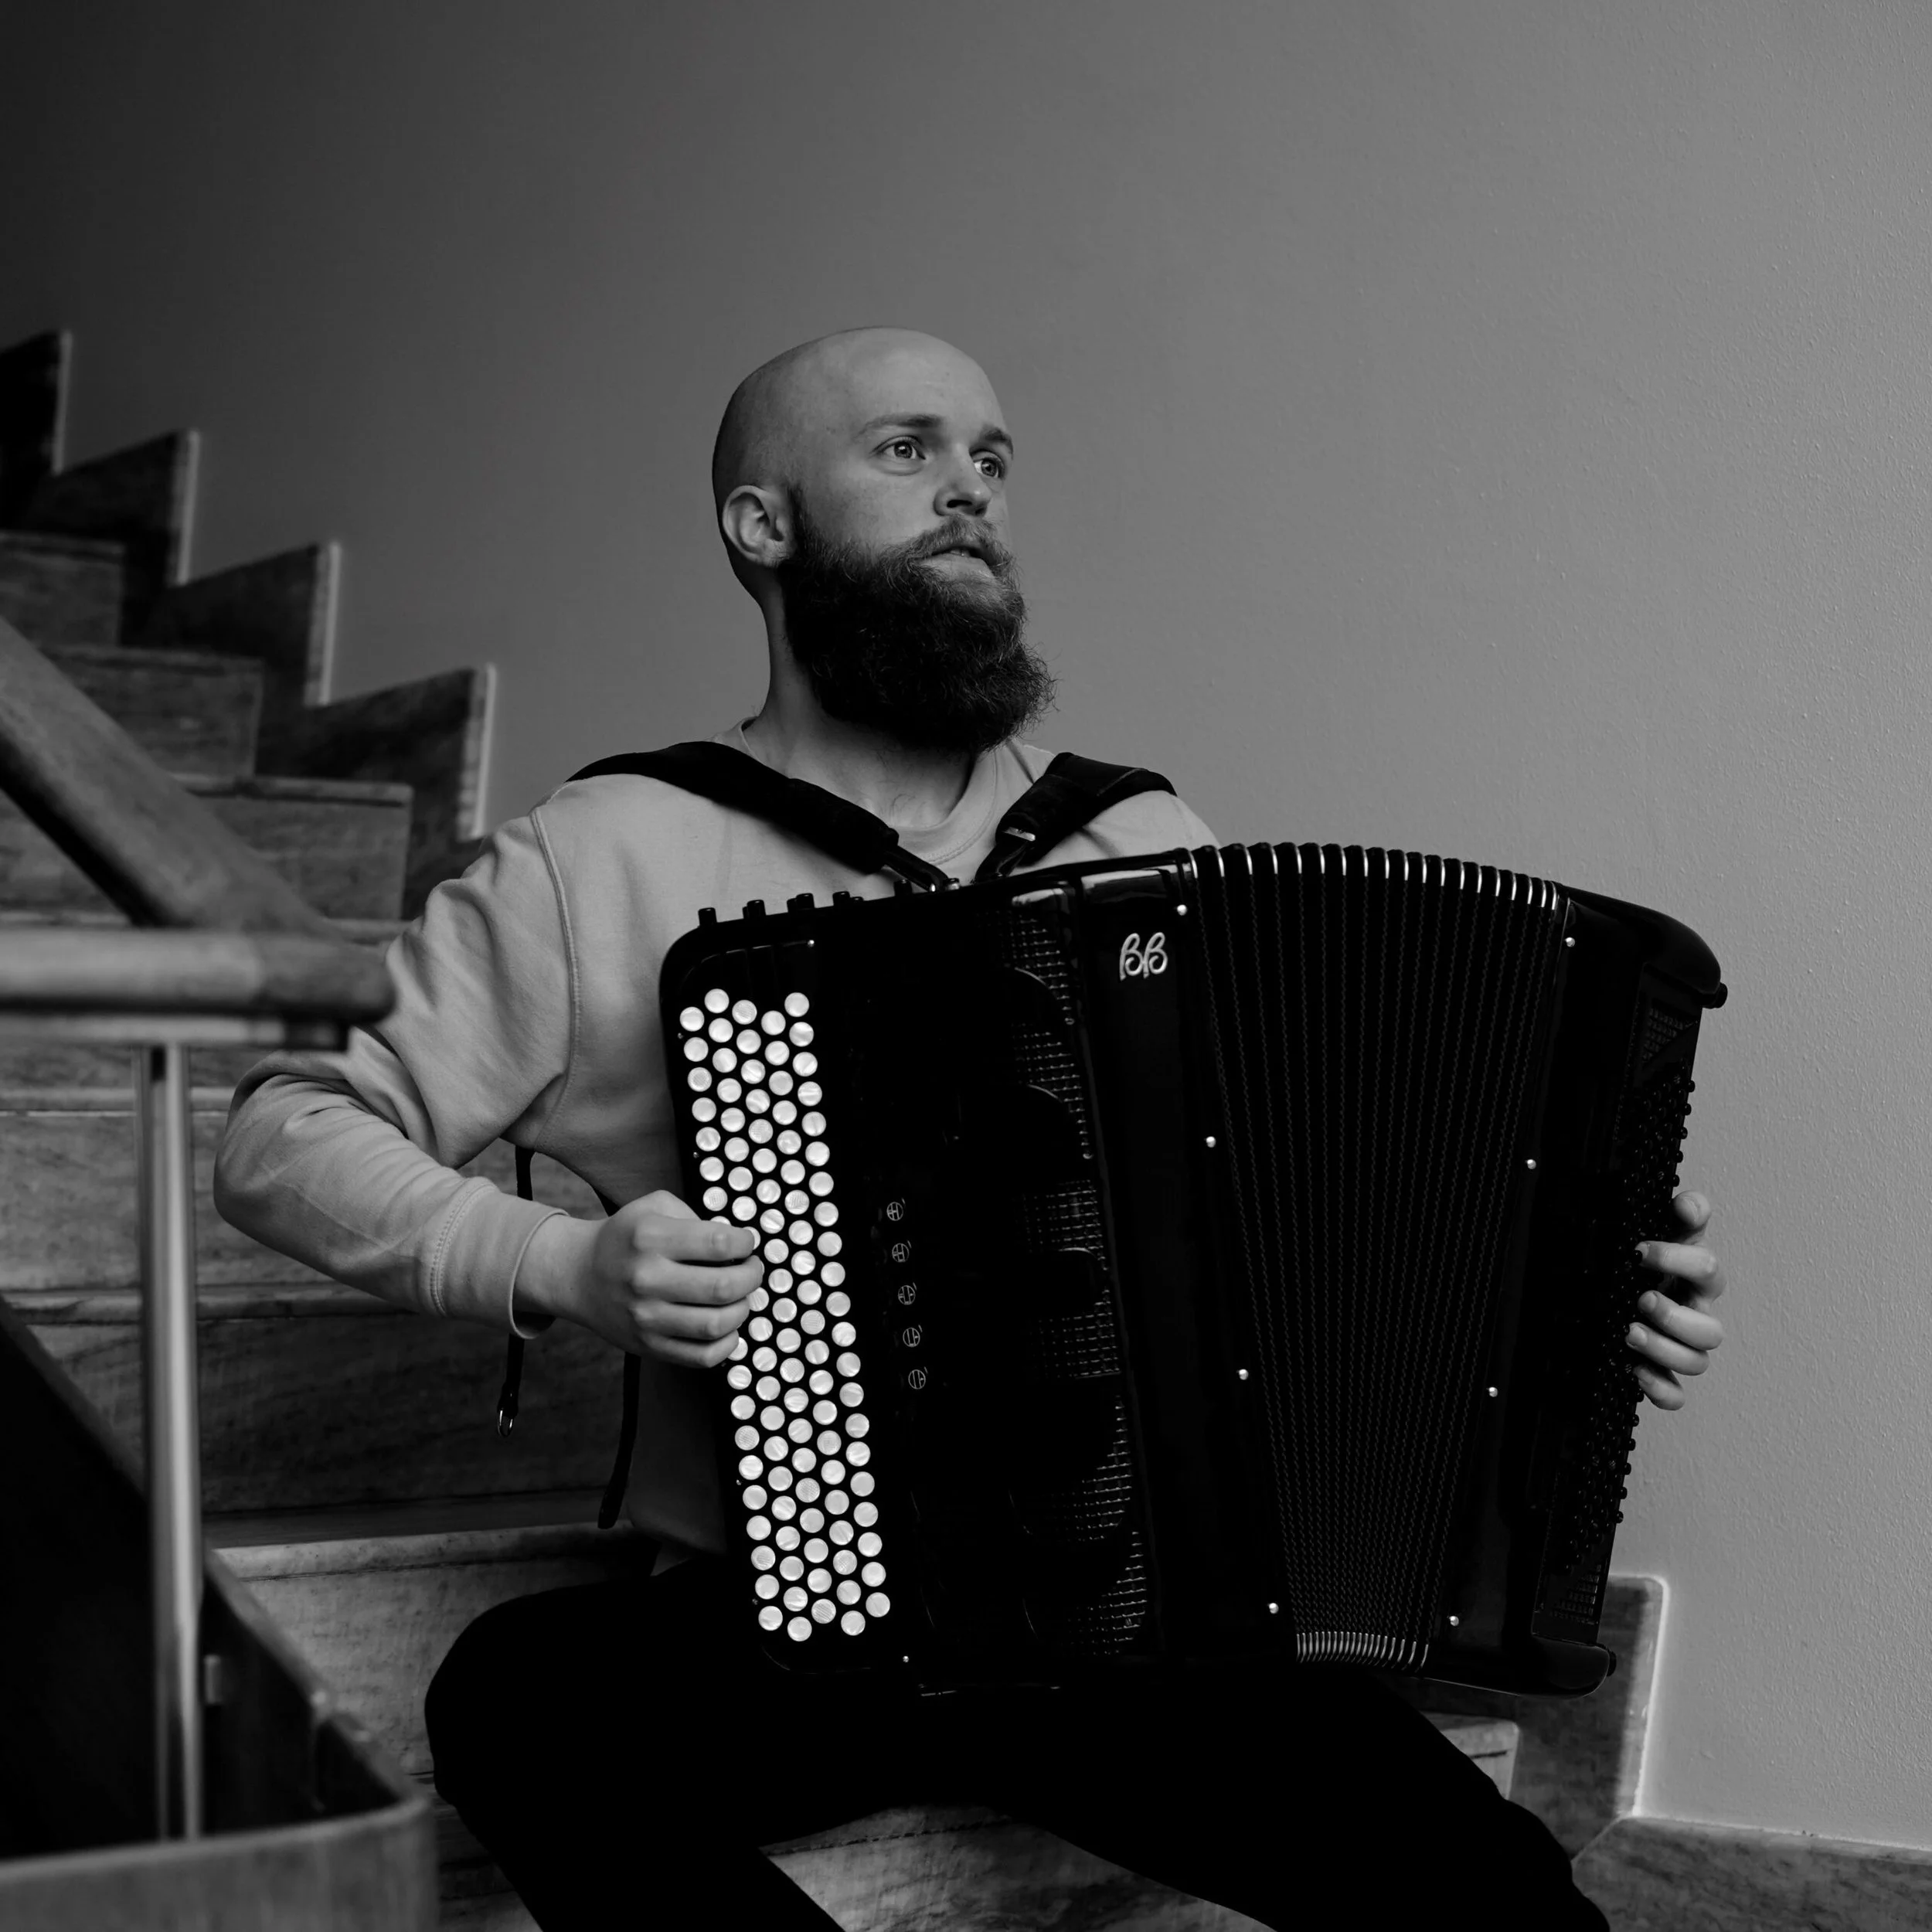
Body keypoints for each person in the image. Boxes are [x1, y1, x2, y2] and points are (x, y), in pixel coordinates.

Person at [216, 327, 1727, 1929]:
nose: (971, 493)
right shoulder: (601, 855)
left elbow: (1302, 1226)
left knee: (1504, 1901)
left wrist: (1577, 1310)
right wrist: (560, 1262)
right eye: (906, 449)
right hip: (801, 1628)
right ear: (760, 525)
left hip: (1144, 1628)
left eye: (991, 460)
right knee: (518, 1697)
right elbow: (278, 1136)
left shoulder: (1137, 842)